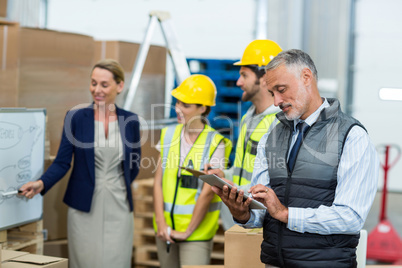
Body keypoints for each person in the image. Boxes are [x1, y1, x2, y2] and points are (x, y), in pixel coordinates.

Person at [212, 49, 379, 267]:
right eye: (272, 93)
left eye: (281, 90)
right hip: (275, 262)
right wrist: (242, 212)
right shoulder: (272, 134)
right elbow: (263, 210)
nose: (276, 102)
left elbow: (350, 217)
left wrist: (285, 213)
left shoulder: (351, 136)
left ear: (306, 77)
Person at [19, 59, 141, 268]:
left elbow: (134, 164)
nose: (97, 90)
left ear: (119, 86)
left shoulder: (131, 121)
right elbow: (62, 162)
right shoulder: (75, 117)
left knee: (117, 262)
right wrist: (41, 183)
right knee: (84, 262)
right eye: (93, 83)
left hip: (119, 206)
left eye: (104, 84)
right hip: (84, 206)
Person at [153, 74, 232, 268]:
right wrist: (161, 224)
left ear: (203, 108)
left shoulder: (216, 143)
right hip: (165, 231)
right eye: (178, 102)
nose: (178, 109)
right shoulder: (168, 134)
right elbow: (157, 182)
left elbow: (207, 193)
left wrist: (188, 232)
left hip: (196, 234)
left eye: (186, 105)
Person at [207, 39, 282, 230]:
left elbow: (278, 183)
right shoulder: (248, 117)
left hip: (261, 222)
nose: (239, 82)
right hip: (239, 217)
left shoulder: (280, 123)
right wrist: (225, 175)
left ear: (265, 77)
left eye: (244, 75)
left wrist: (237, 191)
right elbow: (243, 168)